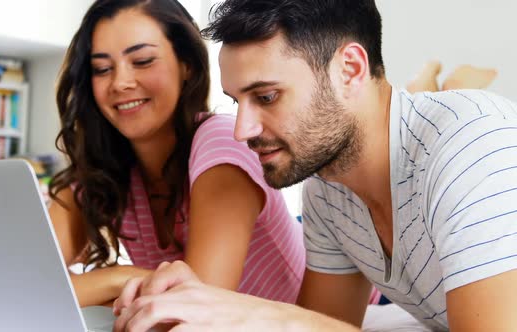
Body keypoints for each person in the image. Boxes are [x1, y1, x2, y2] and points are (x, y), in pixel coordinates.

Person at [112, 0, 517, 331]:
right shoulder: (327, 185)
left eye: (267, 97)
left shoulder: (471, 145)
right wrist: (216, 309)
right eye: (238, 102)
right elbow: (325, 324)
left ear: (350, 70)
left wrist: (256, 313)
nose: (242, 130)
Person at [48, 0, 307, 308]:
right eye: (102, 69)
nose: (120, 83)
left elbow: (195, 308)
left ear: (188, 65)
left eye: (143, 61)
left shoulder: (222, 142)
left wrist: (120, 282)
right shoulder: (106, 170)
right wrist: (125, 279)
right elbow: (25, 285)